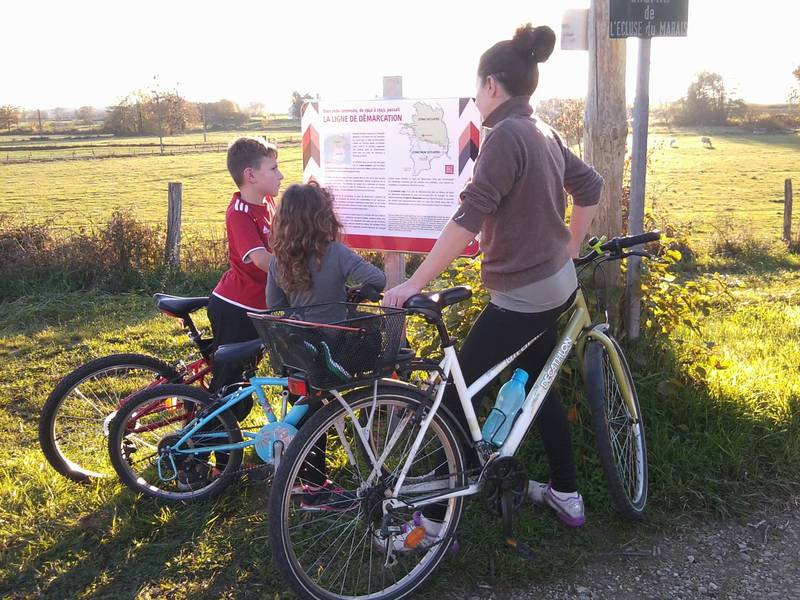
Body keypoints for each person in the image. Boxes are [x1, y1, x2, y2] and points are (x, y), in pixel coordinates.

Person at [383, 23, 604, 528]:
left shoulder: (504, 136)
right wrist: (571, 246)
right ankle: (567, 494)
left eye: (477, 86)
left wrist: (414, 283)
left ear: (491, 85)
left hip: (522, 294)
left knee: (455, 401)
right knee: (535, 380)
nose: (477, 97)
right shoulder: (542, 130)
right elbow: (588, 186)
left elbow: (470, 215)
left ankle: (433, 525)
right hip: (554, 285)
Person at [208, 137, 283, 420]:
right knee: (228, 391)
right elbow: (262, 260)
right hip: (236, 307)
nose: (281, 175)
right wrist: (302, 274)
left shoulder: (268, 206)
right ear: (250, 175)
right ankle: (203, 456)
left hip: (257, 307)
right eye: (273, 169)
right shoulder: (240, 213)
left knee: (241, 385)